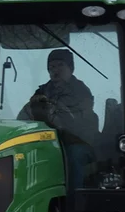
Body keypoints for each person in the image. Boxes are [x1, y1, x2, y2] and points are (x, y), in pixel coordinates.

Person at [17, 48, 98, 188]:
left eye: (60, 65)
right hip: (49, 141)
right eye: (52, 67)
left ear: (71, 68)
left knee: (73, 156)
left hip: (79, 142)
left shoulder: (81, 92)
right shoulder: (41, 92)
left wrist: (55, 114)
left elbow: (77, 120)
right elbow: (26, 117)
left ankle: (73, 201)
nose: (56, 70)